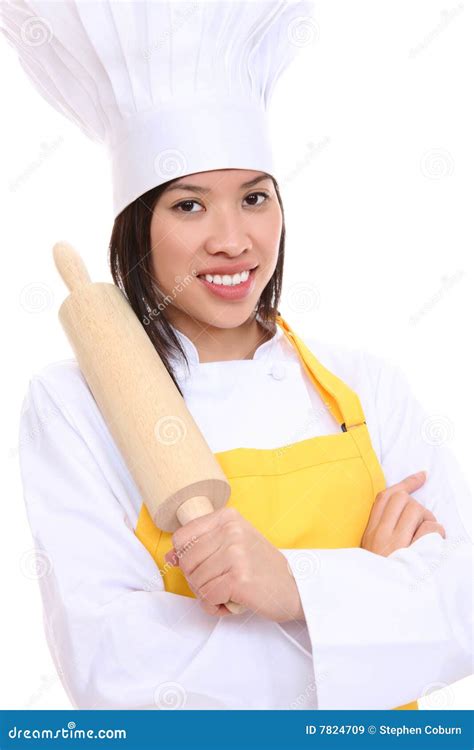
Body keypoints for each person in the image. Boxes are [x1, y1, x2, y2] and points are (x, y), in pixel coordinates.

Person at [4, 1, 472, 710]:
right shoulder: (76, 404)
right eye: (189, 206)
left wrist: (290, 588)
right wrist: (364, 599)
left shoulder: (368, 385)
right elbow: (117, 675)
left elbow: (463, 613)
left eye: (254, 197)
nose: (233, 239)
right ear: (138, 226)